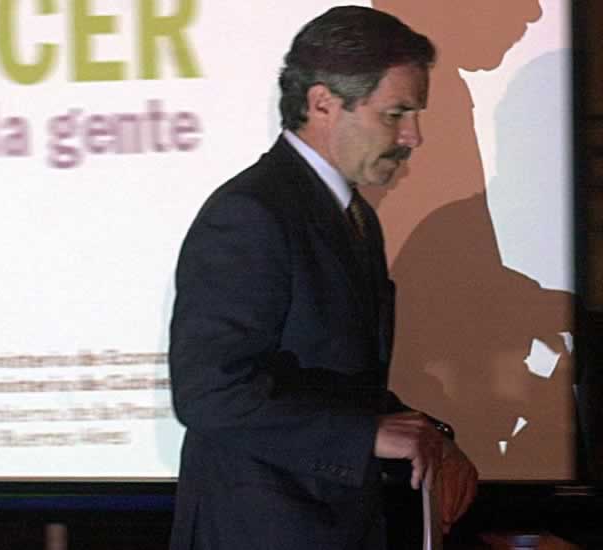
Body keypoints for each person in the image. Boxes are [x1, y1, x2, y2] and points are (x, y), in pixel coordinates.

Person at [168, 6, 478, 550]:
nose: (414, 136)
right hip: (260, 532)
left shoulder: (354, 217)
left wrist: (425, 435)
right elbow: (209, 392)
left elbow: (334, 379)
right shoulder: (250, 213)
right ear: (322, 103)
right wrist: (368, 433)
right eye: (396, 114)